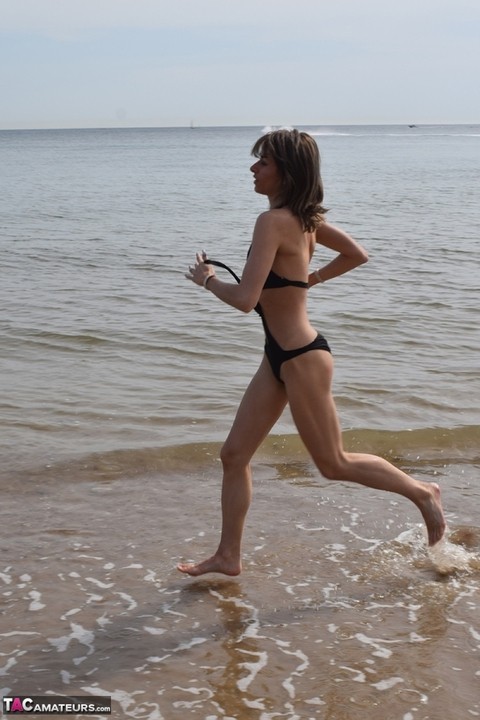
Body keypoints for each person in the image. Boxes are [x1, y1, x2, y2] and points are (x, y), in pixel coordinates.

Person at [178, 129, 445, 577]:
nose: (253, 169)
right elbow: (356, 254)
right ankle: (228, 556)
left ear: (286, 171)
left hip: (301, 356)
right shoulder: (304, 221)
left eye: (262, 162)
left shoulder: (274, 222)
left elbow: (245, 300)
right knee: (233, 455)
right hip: (277, 356)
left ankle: (424, 494)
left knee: (333, 463)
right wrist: (309, 280)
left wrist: (206, 280)